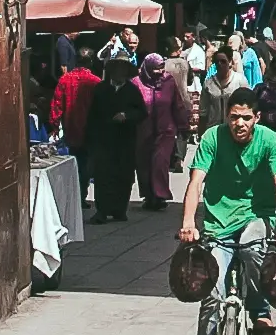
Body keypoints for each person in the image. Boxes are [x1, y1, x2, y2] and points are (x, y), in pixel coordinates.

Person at [179, 88, 276, 335]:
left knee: (251, 246)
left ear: (256, 118)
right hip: (217, 226)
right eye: (234, 117)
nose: (240, 124)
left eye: (246, 118)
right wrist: (189, 221)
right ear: (226, 117)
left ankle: (260, 313)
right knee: (211, 299)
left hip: (256, 217)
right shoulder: (212, 139)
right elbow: (195, 182)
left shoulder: (269, 141)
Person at [87, 58, 146, 224]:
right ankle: (101, 211)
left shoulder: (132, 90)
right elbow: (92, 115)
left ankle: (119, 209)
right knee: (103, 176)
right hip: (104, 140)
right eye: (117, 69)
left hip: (124, 140)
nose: (120, 73)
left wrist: (127, 116)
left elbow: (142, 113)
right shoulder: (101, 89)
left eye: (123, 70)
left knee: (123, 175)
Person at [133, 53, 191, 211]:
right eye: (156, 68)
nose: (159, 71)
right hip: (143, 131)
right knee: (144, 164)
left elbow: (177, 104)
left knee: (160, 163)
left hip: (165, 131)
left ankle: (160, 195)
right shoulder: (136, 83)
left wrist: (183, 126)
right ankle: (148, 196)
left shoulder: (169, 81)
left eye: (161, 67)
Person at [50, 48, 101, 203]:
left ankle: (74, 196)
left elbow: (56, 105)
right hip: (90, 129)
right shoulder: (96, 82)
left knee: (73, 162)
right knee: (86, 163)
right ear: (91, 62)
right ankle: (81, 195)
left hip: (70, 128)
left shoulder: (65, 80)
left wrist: (54, 126)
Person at [198, 48, 247, 131]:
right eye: (217, 62)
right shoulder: (209, 83)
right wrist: (201, 131)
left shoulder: (239, 80)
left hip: (234, 128)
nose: (220, 64)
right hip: (213, 128)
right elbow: (203, 110)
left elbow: (247, 106)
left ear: (230, 62)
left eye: (223, 61)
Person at [163, 37, 193, 166]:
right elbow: (190, 81)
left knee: (168, 129)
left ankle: (170, 157)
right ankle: (179, 158)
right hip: (184, 100)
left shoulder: (163, 64)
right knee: (183, 130)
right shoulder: (185, 63)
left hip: (167, 101)